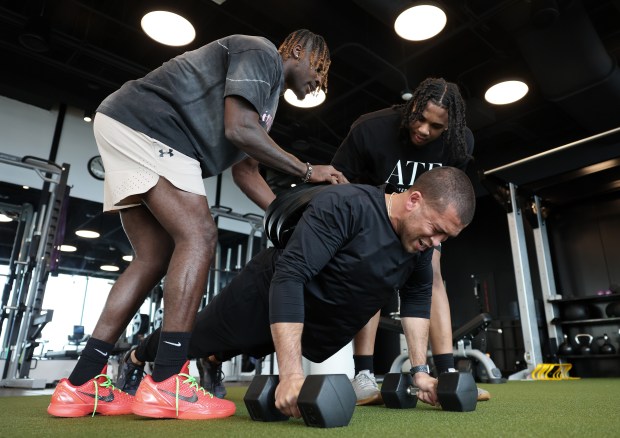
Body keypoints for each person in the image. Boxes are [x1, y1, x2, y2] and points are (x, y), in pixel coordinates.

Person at [47, 29, 347, 419]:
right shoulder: (261, 55)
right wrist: (308, 170)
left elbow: (246, 170)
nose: (319, 81)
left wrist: (290, 218)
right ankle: (169, 380)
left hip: (127, 125)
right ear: (300, 49)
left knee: (152, 257)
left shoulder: (267, 97)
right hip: (150, 126)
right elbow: (238, 130)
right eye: (320, 68)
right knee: (200, 235)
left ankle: (81, 382)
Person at [118, 166, 476, 419]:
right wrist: (290, 375)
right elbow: (289, 277)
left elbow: (415, 302)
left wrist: (419, 371)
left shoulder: (420, 249)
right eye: (435, 229)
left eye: (447, 238)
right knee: (194, 336)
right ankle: (135, 359)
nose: (436, 242)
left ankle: (212, 362)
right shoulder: (346, 205)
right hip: (263, 296)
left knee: (242, 347)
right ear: (413, 200)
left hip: (308, 323)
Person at [331, 77, 490, 405]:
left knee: (432, 276)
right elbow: (338, 178)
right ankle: (363, 375)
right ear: (411, 106)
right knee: (372, 279)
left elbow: (451, 188)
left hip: (424, 220)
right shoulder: (371, 129)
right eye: (419, 118)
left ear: (449, 126)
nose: (423, 130)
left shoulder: (460, 142)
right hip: (378, 215)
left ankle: (444, 374)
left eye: (435, 126)